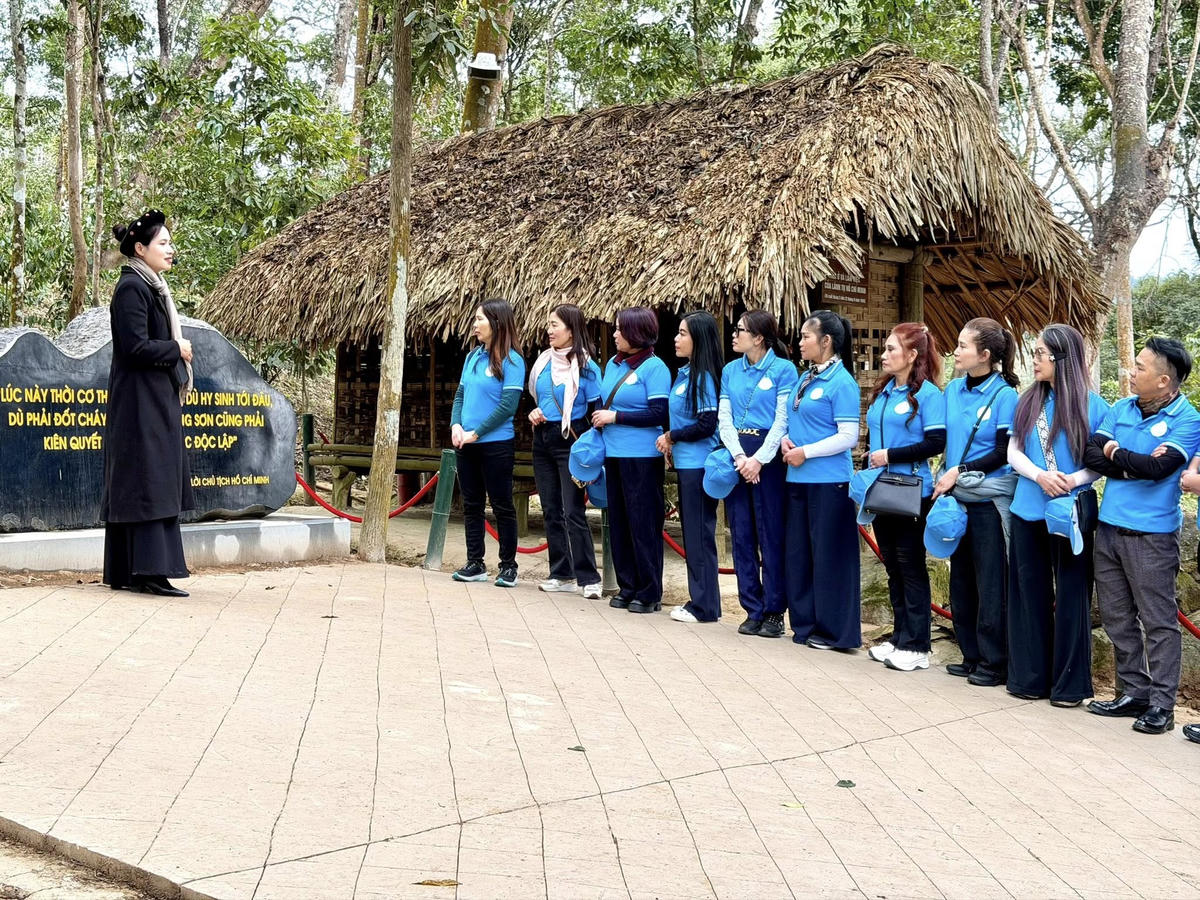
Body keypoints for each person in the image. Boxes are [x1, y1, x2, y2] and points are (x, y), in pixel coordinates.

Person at [1084, 337, 1200, 735]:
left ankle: (1162, 706)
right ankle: (1134, 691)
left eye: (1140, 367)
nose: (1130, 372)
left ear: (1165, 381)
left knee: (1158, 621)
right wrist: (1129, 461)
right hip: (1110, 527)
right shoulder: (1120, 407)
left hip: (1152, 536)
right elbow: (1091, 454)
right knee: (1117, 617)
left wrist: (1116, 455)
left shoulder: (1187, 419)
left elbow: (1160, 469)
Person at [1006, 325, 1108, 707]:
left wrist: (1071, 480)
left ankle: (1069, 686)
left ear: (1061, 358)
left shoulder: (1096, 406)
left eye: (1040, 354)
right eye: (1033, 353)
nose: (1034, 361)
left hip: (1071, 512)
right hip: (1028, 508)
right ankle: (1029, 678)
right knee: (1027, 593)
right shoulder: (1026, 401)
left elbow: (1098, 464)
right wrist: (1040, 476)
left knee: (1072, 596)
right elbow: (1013, 452)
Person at [101, 211, 195, 597]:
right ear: (140, 249)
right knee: (148, 481)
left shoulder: (151, 287)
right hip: (139, 404)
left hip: (154, 399)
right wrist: (177, 348)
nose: (170, 250)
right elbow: (133, 346)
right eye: (163, 243)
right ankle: (149, 571)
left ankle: (136, 571)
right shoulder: (132, 289)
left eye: (170, 243)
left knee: (153, 478)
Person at [933, 317, 1019, 686]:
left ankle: (994, 661)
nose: (956, 351)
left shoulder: (1005, 395)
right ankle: (970, 654)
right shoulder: (952, 389)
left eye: (964, 346)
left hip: (987, 501)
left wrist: (961, 469)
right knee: (962, 581)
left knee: (991, 583)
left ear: (985, 355)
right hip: (956, 500)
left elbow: (1004, 452)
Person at [864, 323, 945, 671]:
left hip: (913, 491)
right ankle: (900, 637)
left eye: (892, 349)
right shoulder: (885, 393)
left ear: (912, 356)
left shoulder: (928, 395)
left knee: (911, 566)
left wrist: (891, 455)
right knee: (893, 566)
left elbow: (935, 442)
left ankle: (918, 644)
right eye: (885, 348)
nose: (884, 355)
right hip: (881, 490)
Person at [781, 310, 861, 650]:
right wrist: (786, 440)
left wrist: (807, 452)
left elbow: (849, 436)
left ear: (825, 341)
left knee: (830, 557)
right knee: (799, 554)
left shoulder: (842, 382)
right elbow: (792, 419)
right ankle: (804, 624)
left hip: (829, 481)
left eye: (805, 337)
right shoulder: (805, 378)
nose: (800, 342)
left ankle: (835, 632)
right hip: (798, 478)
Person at [718, 310, 798, 637]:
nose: (734, 335)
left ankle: (775, 610)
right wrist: (739, 456)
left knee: (771, 533)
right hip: (737, 452)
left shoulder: (784, 369)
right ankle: (752, 606)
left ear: (759, 337)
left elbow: (782, 421)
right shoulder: (729, 370)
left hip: (769, 456)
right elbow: (724, 417)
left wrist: (759, 460)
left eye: (740, 330)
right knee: (741, 534)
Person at [592, 308, 672, 613]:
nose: (614, 335)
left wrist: (617, 416)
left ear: (636, 333)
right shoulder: (613, 365)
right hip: (613, 454)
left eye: (619, 330)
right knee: (621, 523)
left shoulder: (655, 368)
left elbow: (659, 413)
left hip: (642, 457)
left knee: (644, 524)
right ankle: (627, 585)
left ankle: (650, 590)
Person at [528, 304, 603, 599]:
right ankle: (561, 572)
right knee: (550, 508)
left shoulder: (587, 367)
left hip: (572, 440)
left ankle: (589, 577)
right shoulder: (542, 363)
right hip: (542, 439)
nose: (550, 330)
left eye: (555, 325)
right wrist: (534, 412)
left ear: (571, 330)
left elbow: (597, 411)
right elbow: (538, 399)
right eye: (548, 324)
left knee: (573, 510)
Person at [450, 300, 525, 588]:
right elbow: (460, 395)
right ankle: (475, 562)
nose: (475, 324)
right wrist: (456, 425)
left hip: (495, 445)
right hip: (466, 443)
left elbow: (508, 406)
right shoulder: (472, 358)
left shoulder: (513, 360)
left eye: (480, 319)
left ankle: (508, 566)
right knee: (471, 505)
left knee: (502, 504)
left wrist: (477, 432)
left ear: (496, 322)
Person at [657, 312, 723, 623]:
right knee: (692, 534)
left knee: (699, 534)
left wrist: (672, 436)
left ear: (699, 339)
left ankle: (705, 605)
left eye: (683, 333)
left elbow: (708, 424)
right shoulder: (684, 374)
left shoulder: (704, 377)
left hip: (699, 465)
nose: (676, 338)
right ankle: (700, 599)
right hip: (685, 463)